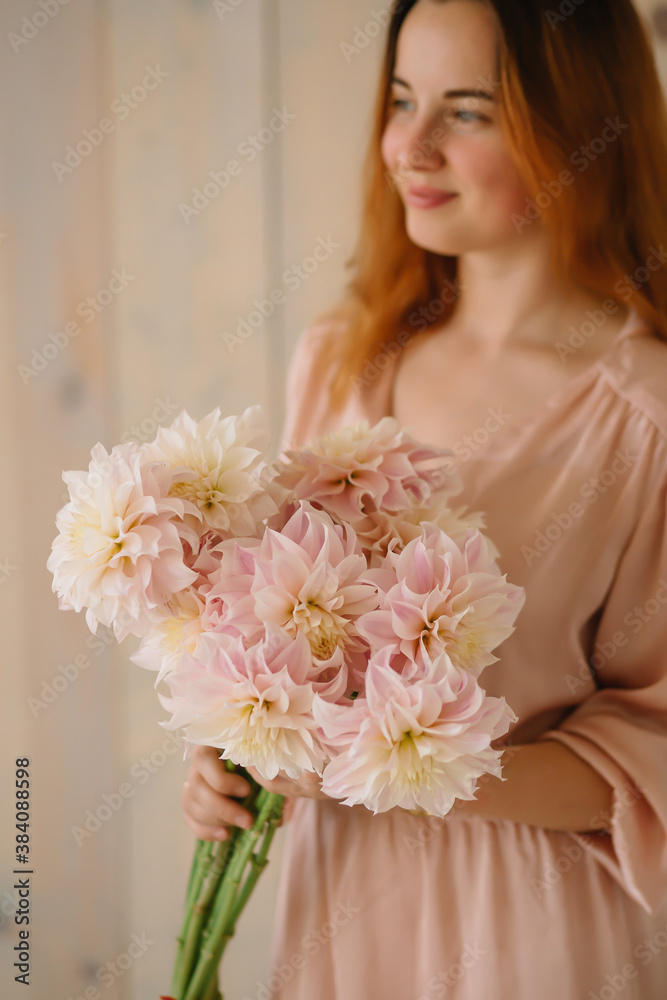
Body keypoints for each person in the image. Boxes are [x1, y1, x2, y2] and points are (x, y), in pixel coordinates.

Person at [182, 1, 667, 996]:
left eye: (468, 112)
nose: (409, 144)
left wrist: (406, 770)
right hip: (329, 913)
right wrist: (233, 747)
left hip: (524, 931)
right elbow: (270, 626)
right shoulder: (341, 359)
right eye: (402, 100)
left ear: (580, 127)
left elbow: (650, 748)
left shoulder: (644, 417)